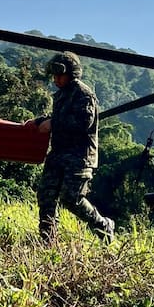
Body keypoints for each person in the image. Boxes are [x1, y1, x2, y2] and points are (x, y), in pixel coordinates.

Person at [25, 51, 114, 243]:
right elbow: (57, 117)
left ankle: (103, 225)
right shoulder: (61, 95)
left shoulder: (84, 94)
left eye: (60, 75)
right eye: (54, 76)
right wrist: (39, 121)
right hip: (59, 153)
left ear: (71, 74)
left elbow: (83, 123)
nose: (56, 79)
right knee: (46, 196)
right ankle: (47, 240)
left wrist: (53, 123)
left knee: (71, 198)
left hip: (79, 156)